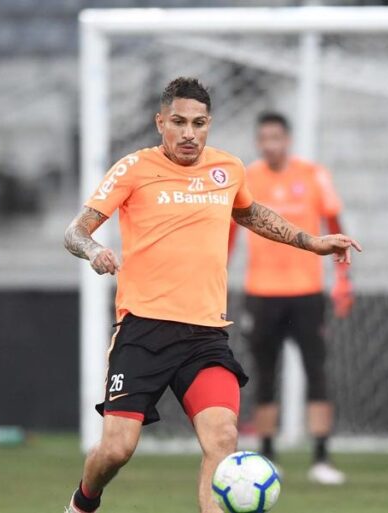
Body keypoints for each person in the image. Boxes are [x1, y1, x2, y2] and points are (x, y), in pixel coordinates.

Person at [62, 77, 361, 513]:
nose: (189, 133)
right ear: (160, 122)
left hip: (205, 334)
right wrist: (93, 251)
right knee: (116, 450)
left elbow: (251, 213)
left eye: (198, 123)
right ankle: (83, 503)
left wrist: (311, 242)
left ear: (209, 124)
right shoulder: (133, 168)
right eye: (179, 122)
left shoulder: (228, 169)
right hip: (144, 329)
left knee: (222, 437)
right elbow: (75, 231)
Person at [229, 111, 351, 485]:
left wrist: (343, 279)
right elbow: (229, 234)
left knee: (317, 372)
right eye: (263, 138)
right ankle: (267, 455)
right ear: (257, 142)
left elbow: (335, 225)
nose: (270, 145)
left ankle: (322, 457)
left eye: (276, 138)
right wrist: (219, 275)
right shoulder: (247, 178)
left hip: (307, 293)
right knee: (265, 374)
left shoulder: (313, 175)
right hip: (261, 293)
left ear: (288, 140)